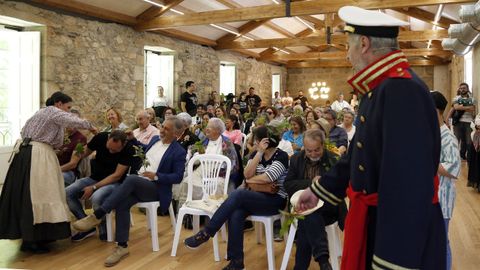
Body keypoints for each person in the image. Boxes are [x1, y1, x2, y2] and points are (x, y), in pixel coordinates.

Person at [296, 6, 445, 270]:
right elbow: (358, 156)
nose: (347, 54)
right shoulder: (381, 88)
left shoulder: (402, 90)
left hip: (398, 236)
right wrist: (317, 191)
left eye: (348, 46)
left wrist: (393, 259)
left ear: (364, 44)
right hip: (379, 221)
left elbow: (408, 183)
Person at [72, 116, 187, 267]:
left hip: (155, 188)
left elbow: (178, 177)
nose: (162, 130)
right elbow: (143, 149)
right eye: (162, 126)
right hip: (138, 184)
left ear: (176, 134)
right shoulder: (154, 140)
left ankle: (98, 214)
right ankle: (122, 247)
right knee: (122, 204)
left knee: (131, 179)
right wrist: (133, 139)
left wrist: (157, 175)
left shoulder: (178, 151)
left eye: (166, 129)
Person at [0, 91, 96, 253]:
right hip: (38, 156)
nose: (68, 111)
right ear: (58, 104)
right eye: (67, 107)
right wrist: (91, 126)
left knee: (29, 195)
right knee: (41, 193)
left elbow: (25, 132)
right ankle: (33, 239)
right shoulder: (52, 111)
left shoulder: (40, 114)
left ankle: (35, 237)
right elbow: (71, 119)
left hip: (27, 154)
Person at [183, 126, 288, 270]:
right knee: (236, 213)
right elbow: (247, 174)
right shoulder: (256, 155)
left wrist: (250, 182)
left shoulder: (281, 156)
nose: (254, 143)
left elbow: (268, 177)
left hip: (274, 200)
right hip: (255, 197)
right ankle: (236, 262)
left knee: (239, 193)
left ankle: (206, 232)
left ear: (265, 140)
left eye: (256, 140)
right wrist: (259, 154)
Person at [284, 129, 345, 270]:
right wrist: (312, 183)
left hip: (328, 207)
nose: (312, 154)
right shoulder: (296, 159)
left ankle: (304, 265)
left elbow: (340, 189)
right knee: (309, 214)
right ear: (304, 147)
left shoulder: (333, 159)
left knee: (308, 216)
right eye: (309, 151)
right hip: (302, 206)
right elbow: (288, 184)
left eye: (316, 150)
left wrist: (325, 184)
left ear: (323, 145)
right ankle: (323, 260)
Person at [65, 130, 137, 241]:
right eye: (109, 148)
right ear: (108, 138)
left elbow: (116, 176)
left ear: (123, 144)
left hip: (115, 183)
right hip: (94, 178)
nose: (111, 151)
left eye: (115, 150)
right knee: (68, 192)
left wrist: (93, 187)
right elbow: (84, 153)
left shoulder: (129, 149)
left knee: (97, 197)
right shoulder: (100, 137)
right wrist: (78, 146)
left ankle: (104, 229)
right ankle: (87, 225)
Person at [431, 91, 461, 270]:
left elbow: (453, 169)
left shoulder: (447, 137)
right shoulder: (431, 133)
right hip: (430, 197)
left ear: (436, 111)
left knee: (442, 242)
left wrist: (426, 160)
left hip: (443, 198)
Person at [57, 109, 88, 187]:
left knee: (53, 178)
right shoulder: (59, 134)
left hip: (68, 173)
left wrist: (54, 171)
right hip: (54, 169)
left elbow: (73, 164)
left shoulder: (81, 139)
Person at [448, 83, 475, 160]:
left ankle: (467, 156)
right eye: (461, 88)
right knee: (457, 140)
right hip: (458, 122)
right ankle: (456, 157)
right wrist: (467, 107)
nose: (462, 89)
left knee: (468, 141)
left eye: (464, 88)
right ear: (459, 89)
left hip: (469, 122)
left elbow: (473, 109)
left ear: (467, 89)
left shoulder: (472, 98)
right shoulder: (456, 98)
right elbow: (456, 107)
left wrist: (461, 107)